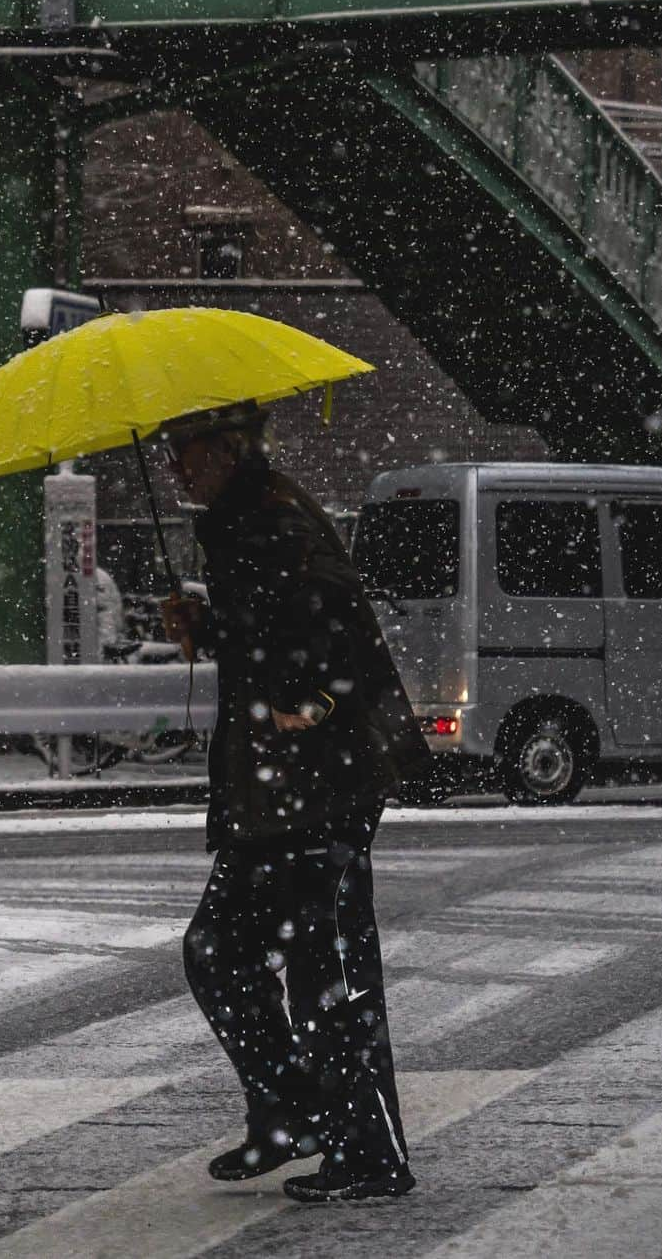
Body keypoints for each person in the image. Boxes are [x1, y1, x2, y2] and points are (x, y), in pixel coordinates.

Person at [160, 402, 431, 1204]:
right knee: (219, 950)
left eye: (191, 450)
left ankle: (371, 1154)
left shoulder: (274, 520)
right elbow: (272, 627)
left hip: (319, 786)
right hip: (272, 795)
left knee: (329, 970)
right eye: (175, 452)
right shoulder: (244, 526)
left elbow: (329, 622)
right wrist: (209, 629)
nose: (179, 467)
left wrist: (306, 696)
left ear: (231, 449)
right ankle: (288, 1111)